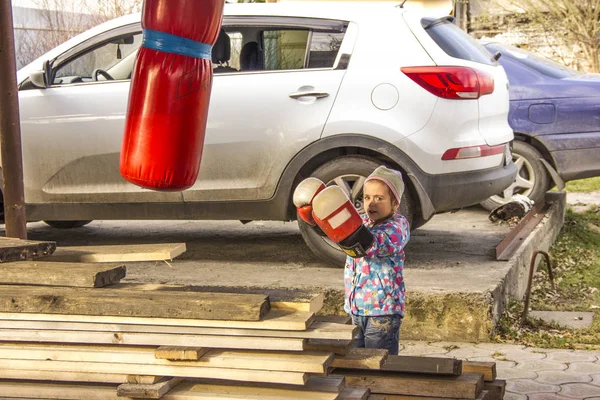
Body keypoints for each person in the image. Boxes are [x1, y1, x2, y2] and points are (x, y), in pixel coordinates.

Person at [344, 165, 410, 355]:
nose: (371, 203)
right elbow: (340, 226)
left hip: (382, 313)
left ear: (395, 203)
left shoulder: (397, 227)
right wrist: (320, 220)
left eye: (379, 198)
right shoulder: (361, 222)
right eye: (367, 197)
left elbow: (376, 245)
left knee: (380, 365)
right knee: (355, 364)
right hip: (356, 310)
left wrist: (347, 233)